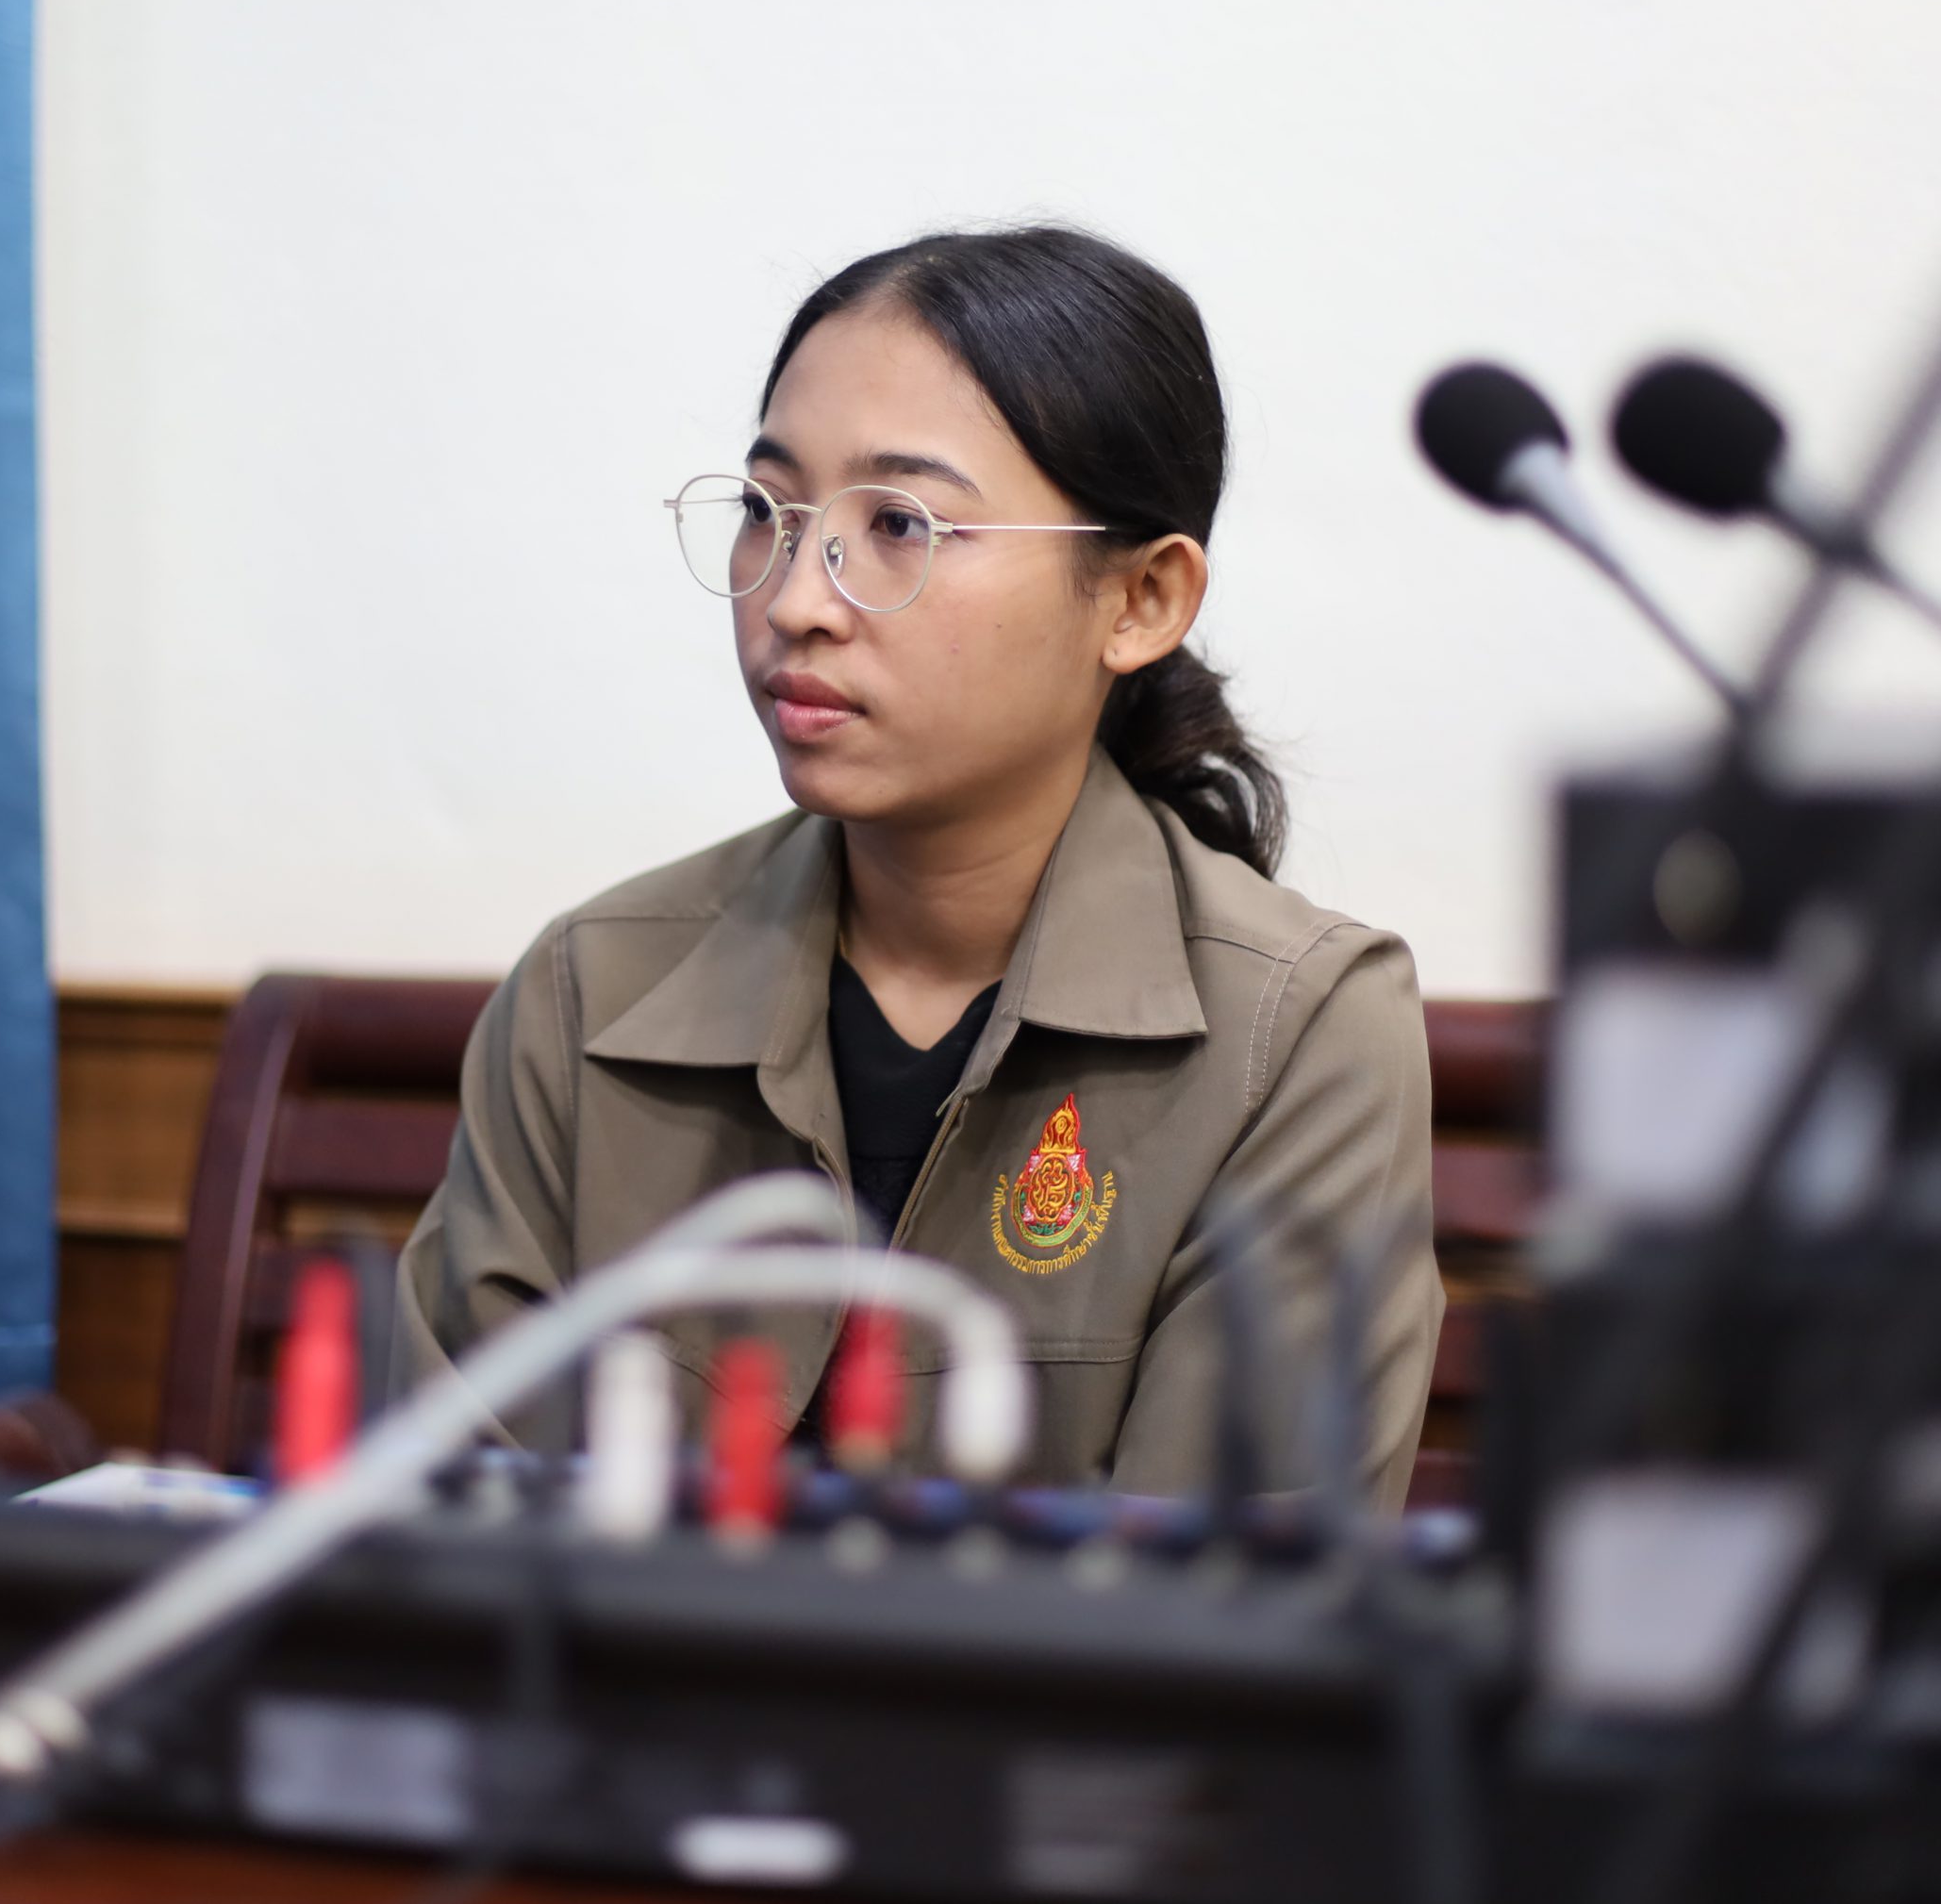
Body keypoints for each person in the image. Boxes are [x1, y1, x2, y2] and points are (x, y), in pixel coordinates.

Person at [393, 226, 1441, 1500]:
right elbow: (443, 1545)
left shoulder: (1299, 1037)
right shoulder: (589, 993)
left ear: (1141, 601)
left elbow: (1220, 1606)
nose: (796, 600)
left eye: (901, 523)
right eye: (768, 513)